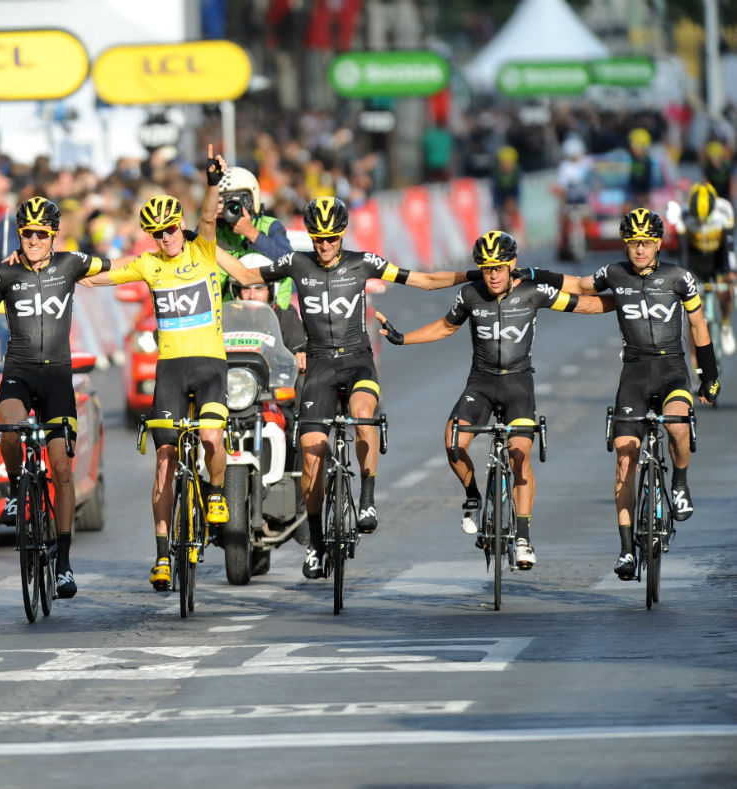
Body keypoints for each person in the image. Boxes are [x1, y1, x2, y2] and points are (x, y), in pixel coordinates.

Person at [239, 196, 471, 579]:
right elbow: (248, 278)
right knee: (312, 452)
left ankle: (366, 498)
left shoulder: (364, 263)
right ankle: (315, 544)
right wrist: (202, 242)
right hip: (319, 366)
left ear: (341, 234)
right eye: (317, 238)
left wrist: (472, 275)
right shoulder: (297, 263)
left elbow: (425, 281)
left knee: (364, 415)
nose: (324, 245)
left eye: (330, 238)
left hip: (357, 359)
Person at [79, 146, 261, 591]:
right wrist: (53, 266)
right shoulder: (148, 263)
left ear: (180, 227)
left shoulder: (201, 248)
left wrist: (213, 181)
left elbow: (205, 215)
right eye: (156, 233)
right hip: (170, 372)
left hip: (210, 366)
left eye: (169, 230)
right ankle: (162, 557)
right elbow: (101, 273)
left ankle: (216, 496)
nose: (165, 239)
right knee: (164, 462)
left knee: (211, 437)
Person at [374, 231, 609, 569]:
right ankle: (473, 497)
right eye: (486, 269)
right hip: (481, 383)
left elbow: (584, 303)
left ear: (511, 264)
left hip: (518, 384)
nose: (493, 275)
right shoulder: (469, 294)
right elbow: (444, 327)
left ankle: (524, 538)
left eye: (499, 267)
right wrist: (401, 338)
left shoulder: (533, 291)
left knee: (519, 455)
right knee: (453, 441)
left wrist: (630, 300)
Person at [551, 209, 719, 579]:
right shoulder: (615, 274)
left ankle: (678, 484)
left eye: (645, 243)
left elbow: (697, 322)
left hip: (672, 369)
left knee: (677, 426)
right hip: (634, 374)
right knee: (625, 460)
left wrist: (709, 374)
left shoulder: (679, 277)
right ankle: (627, 549)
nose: (639, 250)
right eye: (632, 243)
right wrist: (534, 275)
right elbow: (579, 286)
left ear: (658, 243)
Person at [0, 197, 111, 599]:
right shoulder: (4, 272)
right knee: (10, 431)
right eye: (26, 233)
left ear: (53, 236)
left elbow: (121, 270)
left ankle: (63, 562)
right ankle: (16, 491)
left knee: (62, 469)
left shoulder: (70, 263)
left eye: (40, 234)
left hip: (57, 377)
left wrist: (167, 258)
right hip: (18, 371)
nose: (32, 240)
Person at [670, 182, 735, 355]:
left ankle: (726, 325)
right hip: (695, 260)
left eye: (705, 219)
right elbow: (682, 252)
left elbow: (728, 247)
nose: (702, 223)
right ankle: (696, 359)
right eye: (698, 219)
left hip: (717, 258)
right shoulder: (683, 215)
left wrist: (731, 271)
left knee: (726, 290)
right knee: (695, 310)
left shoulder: (725, 210)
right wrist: (682, 277)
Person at [214, 167, 294, 307]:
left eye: (238, 201)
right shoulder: (213, 232)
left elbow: (289, 260)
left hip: (274, 317)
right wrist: (208, 220)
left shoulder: (270, 226)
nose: (232, 208)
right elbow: (193, 256)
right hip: (229, 318)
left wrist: (251, 232)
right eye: (224, 201)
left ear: (253, 198)